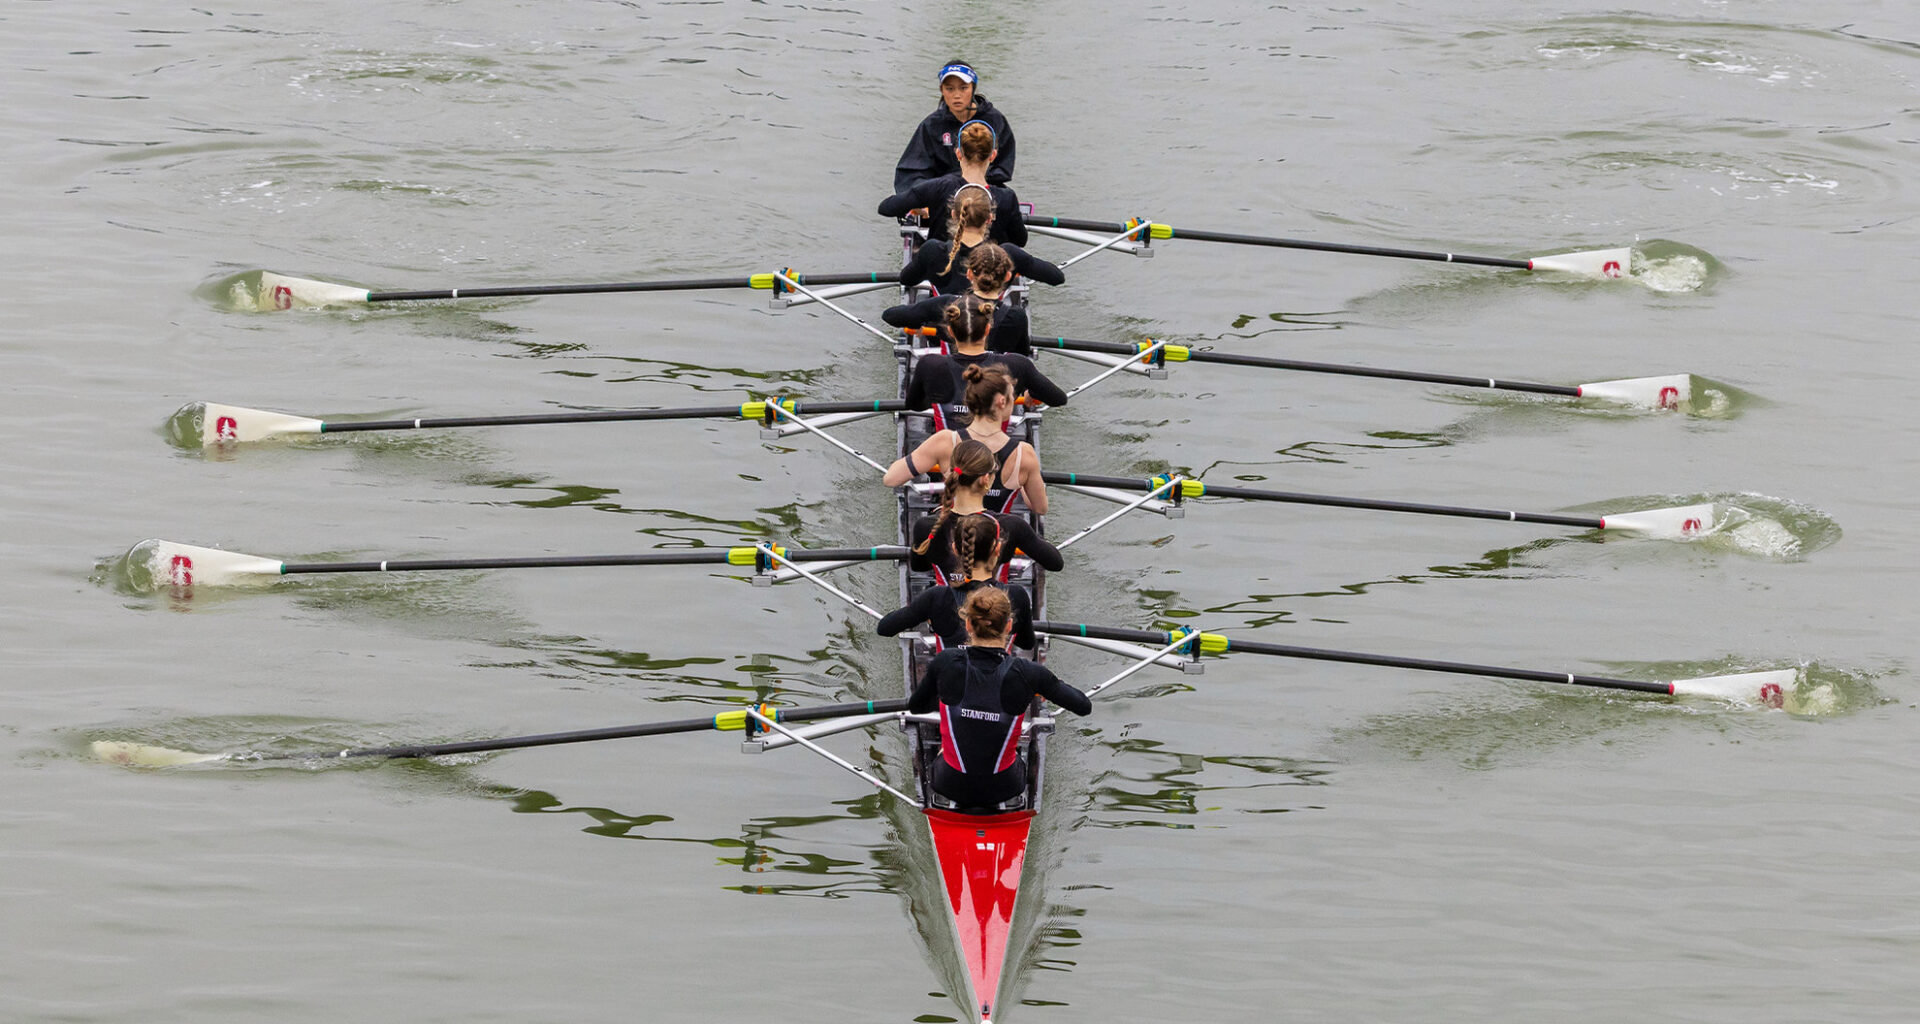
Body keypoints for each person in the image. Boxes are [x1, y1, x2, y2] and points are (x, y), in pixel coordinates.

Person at [907, 586, 1089, 811]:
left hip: (948, 783)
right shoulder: (1030, 672)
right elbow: (1083, 706)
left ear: (968, 625)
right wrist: (1049, 684)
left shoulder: (945, 662)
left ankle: (948, 752)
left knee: (951, 741)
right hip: (1005, 786)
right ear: (1010, 626)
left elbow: (915, 707)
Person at [888, 363, 1050, 516]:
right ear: (1002, 402)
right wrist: (1023, 484)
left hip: (951, 533)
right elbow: (1040, 508)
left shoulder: (945, 441)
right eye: (1012, 396)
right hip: (994, 538)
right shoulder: (1024, 454)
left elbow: (891, 479)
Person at [900, 439, 1062, 577]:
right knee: (1017, 596)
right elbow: (1055, 563)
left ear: (950, 474)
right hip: (993, 607)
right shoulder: (1012, 526)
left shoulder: (925, 526)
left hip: (946, 608)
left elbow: (919, 567)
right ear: (987, 479)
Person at [877, 511, 1036, 651]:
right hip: (1000, 682)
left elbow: (884, 628)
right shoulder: (1016, 595)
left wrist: (924, 612)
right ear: (997, 549)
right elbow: (1027, 644)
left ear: (955, 549)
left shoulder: (936, 598)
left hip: (951, 678)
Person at [900, 295, 1067, 411]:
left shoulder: (930, 364)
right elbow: (1059, 399)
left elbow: (913, 405)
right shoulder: (1017, 364)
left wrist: (941, 399)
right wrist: (1032, 393)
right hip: (994, 454)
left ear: (950, 331)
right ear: (988, 328)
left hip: (948, 454)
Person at [885, 243, 1052, 357]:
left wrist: (928, 325)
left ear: (969, 274)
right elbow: (1022, 356)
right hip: (994, 390)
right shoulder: (1016, 317)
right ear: (1009, 276)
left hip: (951, 383)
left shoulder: (947, 305)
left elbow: (890, 316)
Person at [881, 121, 1027, 247]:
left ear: (958, 153)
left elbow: (886, 208)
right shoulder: (1007, 198)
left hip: (942, 273)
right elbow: (1020, 240)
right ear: (993, 155)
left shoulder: (937, 187)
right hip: (986, 273)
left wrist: (917, 206)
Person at [893, 201, 1061, 301]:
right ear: (989, 219)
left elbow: (906, 279)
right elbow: (1056, 278)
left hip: (945, 330)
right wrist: (1021, 263)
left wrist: (925, 266)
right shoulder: (1008, 254)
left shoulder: (932, 250)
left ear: (953, 215)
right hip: (994, 334)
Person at [894, 61, 1015, 192]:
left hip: (985, 190)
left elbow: (1003, 167)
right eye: (950, 89)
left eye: (963, 88)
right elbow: (910, 173)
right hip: (941, 193)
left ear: (973, 88)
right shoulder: (931, 125)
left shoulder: (995, 120)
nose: (957, 95)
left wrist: (972, 180)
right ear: (942, 91)